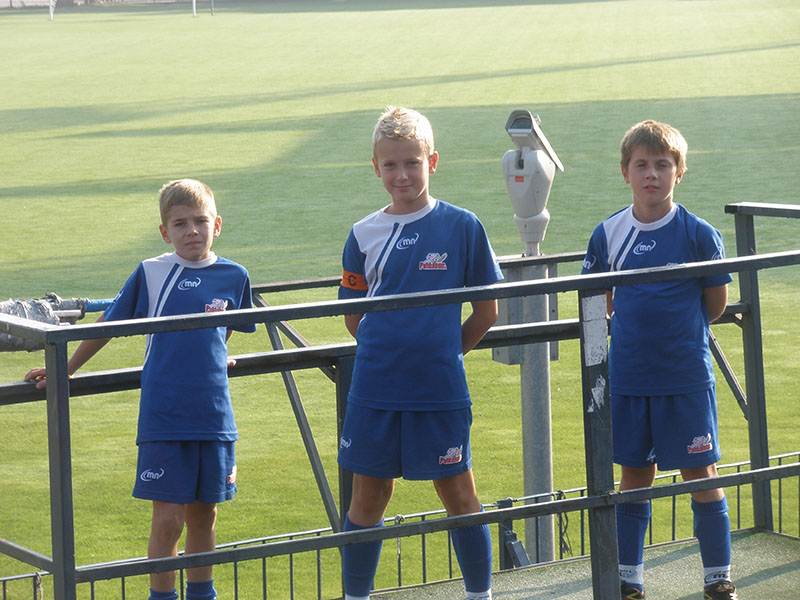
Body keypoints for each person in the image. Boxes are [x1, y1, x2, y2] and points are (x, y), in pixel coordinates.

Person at [24, 179, 256, 600]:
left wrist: (216, 353)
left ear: (217, 225)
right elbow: (109, 323)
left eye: (201, 221)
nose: (192, 231)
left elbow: (225, 326)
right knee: (168, 521)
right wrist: (66, 368)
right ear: (165, 232)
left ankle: (202, 595)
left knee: (204, 516)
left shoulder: (235, 275)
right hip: (164, 415)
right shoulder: (151, 272)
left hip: (214, 417)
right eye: (180, 224)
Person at [337, 106, 502, 600]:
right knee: (369, 496)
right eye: (390, 165)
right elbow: (353, 316)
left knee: (458, 492)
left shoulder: (463, 226)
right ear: (376, 167)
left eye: (412, 162)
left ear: (432, 161)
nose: (402, 174)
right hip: (375, 389)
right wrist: (392, 351)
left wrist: (444, 354)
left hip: (439, 389)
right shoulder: (362, 233)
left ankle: (479, 595)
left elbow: (487, 311)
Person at [581, 121, 737, 600]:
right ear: (625, 172)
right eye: (642, 165)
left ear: (679, 172)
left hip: (685, 378)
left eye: (662, 165)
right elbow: (598, 305)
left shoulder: (699, 234)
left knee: (701, 474)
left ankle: (718, 577)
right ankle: (628, 579)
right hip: (629, 379)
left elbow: (715, 304)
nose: (652, 174)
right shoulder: (608, 234)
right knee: (633, 478)